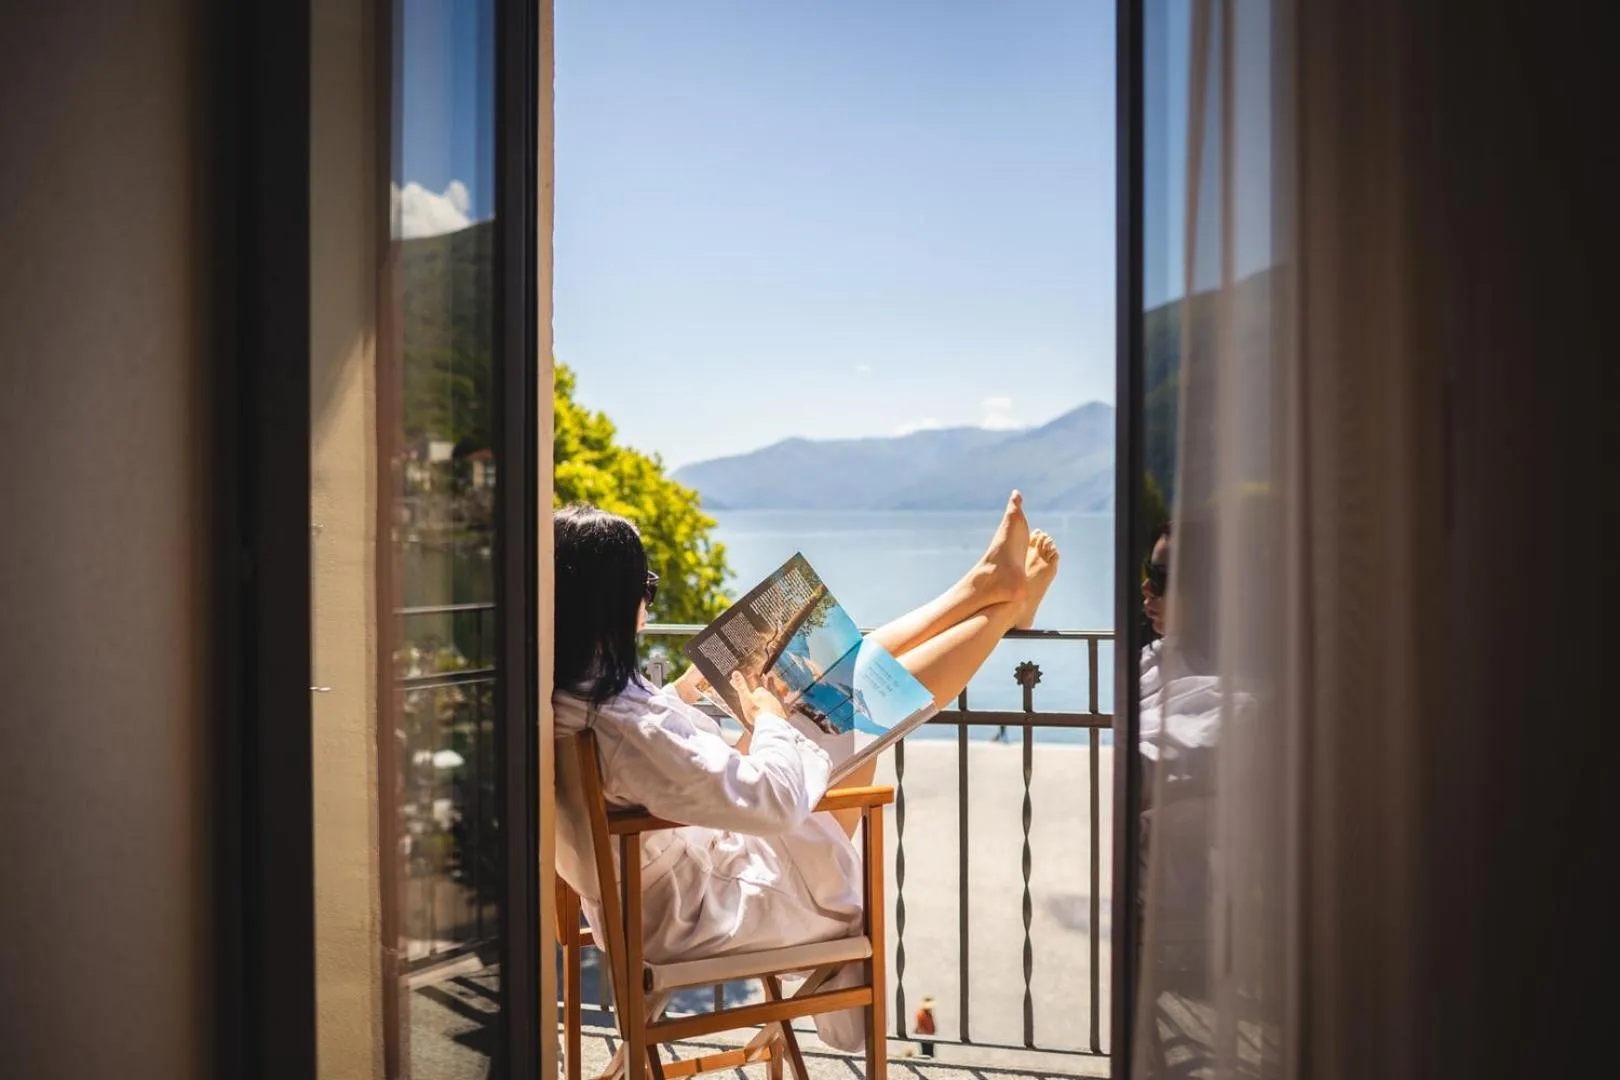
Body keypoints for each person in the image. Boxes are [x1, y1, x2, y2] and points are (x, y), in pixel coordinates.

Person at [552, 493, 1059, 1051]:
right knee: (856, 700)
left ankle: (986, 591)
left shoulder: (567, 697)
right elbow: (773, 803)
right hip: (709, 912)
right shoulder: (626, 728)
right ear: (608, 603)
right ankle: (1002, 603)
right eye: (643, 588)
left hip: (666, 895)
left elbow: (651, 753)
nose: (648, 602)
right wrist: (768, 721)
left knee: (831, 681)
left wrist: (688, 689)